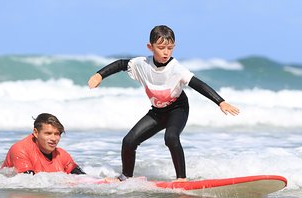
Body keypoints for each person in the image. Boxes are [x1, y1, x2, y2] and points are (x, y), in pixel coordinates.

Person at [88, 25, 239, 181]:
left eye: (170, 48)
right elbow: (121, 64)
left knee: (171, 137)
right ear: (150, 47)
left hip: (178, 108)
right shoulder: (142, 64)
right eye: (161, 47)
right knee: (128, 141)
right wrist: (99, 75)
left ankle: (182, 178)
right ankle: (125, 178)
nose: (166, 52)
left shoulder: (177, 69)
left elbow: (197, 84)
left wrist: (220, 102)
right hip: (157, 112)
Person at [1, 113, 86, 175]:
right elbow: (28, 183)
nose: (53, 139)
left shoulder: (61, 154)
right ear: (36, 133)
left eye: (57, 134)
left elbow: (83, 178)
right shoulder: (20, 149)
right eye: (48, 133)